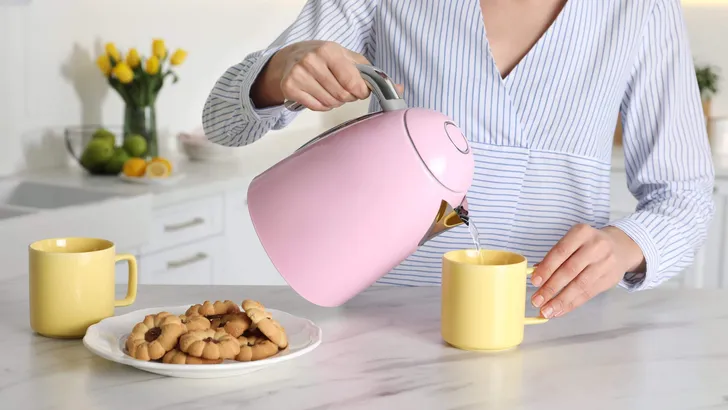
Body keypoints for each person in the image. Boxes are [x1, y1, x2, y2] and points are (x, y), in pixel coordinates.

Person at [202, 0, 715, 319]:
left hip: (561, 325)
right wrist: (277, 74)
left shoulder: (642, 9)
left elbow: (685, 196)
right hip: (383, 326)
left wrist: (627, 246)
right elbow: (223, 122)